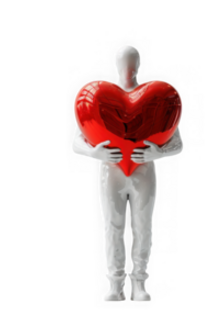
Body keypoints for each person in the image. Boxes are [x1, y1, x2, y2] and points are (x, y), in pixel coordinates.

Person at [71, 44, 184, 303]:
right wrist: (96, 153)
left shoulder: (158, 97)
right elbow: (77, 142)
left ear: (141, 63)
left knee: (143, 225)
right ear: (114, 63)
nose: (128, 65)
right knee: (112, 225)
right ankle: (115, 282)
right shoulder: (97, 96)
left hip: (144, 171)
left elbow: (177, 142)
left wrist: (156, 154)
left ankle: (140, 282)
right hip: (111, 172)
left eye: (133, 60)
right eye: (123, 60)